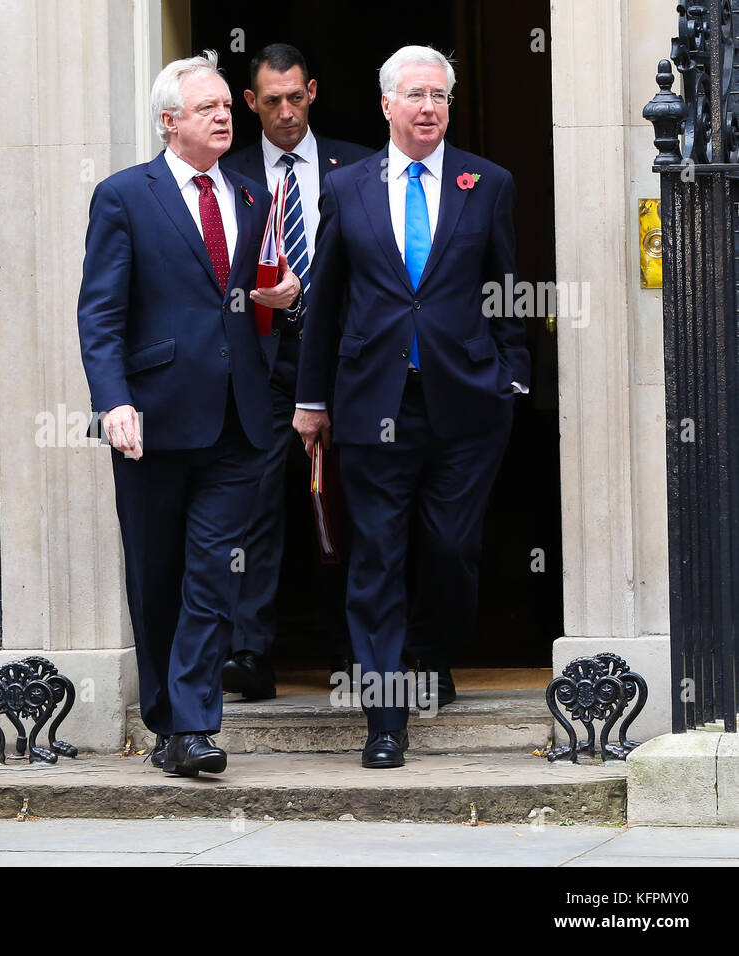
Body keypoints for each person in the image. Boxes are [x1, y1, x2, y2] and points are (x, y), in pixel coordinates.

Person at [292, 46, 529, 768]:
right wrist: (311, 398)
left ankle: (430, 656)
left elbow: (507, 286)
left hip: (466, 404)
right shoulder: (350, 187)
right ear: (387, 104)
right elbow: (325, 298)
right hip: (371, 403)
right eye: (416, 94)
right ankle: (386, 718)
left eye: (441, 95)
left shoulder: (487, 183)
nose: (429, 106)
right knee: (376, 557)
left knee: (452, 548)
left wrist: (512, 371)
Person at [77, 51, 301, 776]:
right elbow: (101, 312)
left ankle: (198, 724)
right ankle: (167, 723)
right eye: (208, 108)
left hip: (238, 422)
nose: (223, 117)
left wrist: (286, 302)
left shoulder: (249, 196)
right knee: (156, 572)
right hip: (153, 418)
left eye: (225, 108)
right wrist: (112, 399)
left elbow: (261, 301)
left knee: (212, 576)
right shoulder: (124, 196)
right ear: (170, 123)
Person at [221, 43, 370, 701]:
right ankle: (251, 656)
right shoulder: (228, 174)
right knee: (257, 513)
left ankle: (358, 655)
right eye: (271, 100)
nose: (286, 111)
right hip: (265, 362)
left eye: (296, 97)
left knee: (352, 506)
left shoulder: (362, 166)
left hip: (345, 363)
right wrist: (251, 299)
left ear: (312, 91)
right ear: (250, 103)